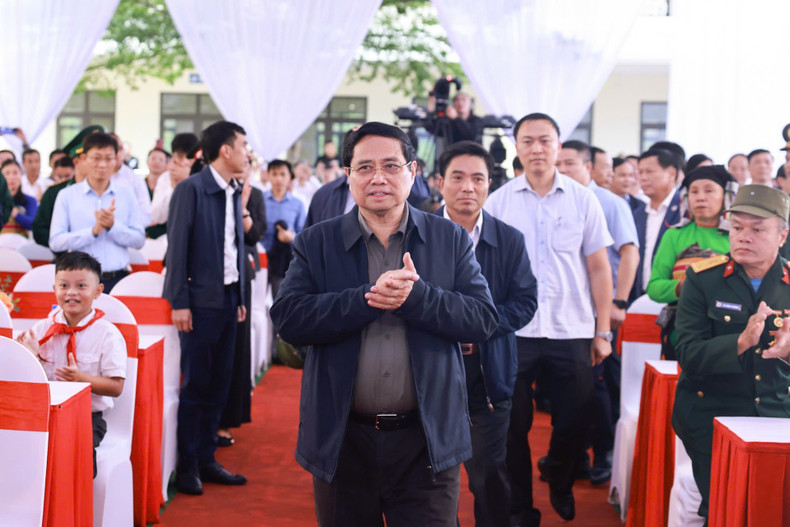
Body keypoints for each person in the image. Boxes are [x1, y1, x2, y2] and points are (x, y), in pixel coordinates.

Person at [270, 122, 498, 527]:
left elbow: (482, 319)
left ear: (413, 172)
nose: (378, 177)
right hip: (343, 441)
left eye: (391, 166)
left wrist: (418, 298)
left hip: (427, 443)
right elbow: (289, 319)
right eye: (365, 167)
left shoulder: (450, 240)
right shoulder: (316, 243)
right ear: (348, 176)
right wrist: (366, 299)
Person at [485, 113, 614, 524]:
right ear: (517, 148)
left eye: (545, 141)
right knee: (512, 426)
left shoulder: (582, 199)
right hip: (514, 332)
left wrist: (603, 330)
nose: (537, 149)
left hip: (571, 330)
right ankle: (521, 507)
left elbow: (598, 268)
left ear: (559, 146)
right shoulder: (499, 201)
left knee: (578, 415)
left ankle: (559, 473)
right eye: (528, 141)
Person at [673, 184, 790, 521]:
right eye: (737, 228)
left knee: (772, 510)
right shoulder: (703, 279)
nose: (744, 237)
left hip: (774, 411)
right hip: (712, 412)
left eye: (757, 229)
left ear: (782, 235)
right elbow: (688, 354)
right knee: (725, 509)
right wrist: (739, 342)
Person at [436, 141, 538, 527]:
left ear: (489, 185)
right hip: (432, 374)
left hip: (489, 378)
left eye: (477, 178)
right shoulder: (416, 234)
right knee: (432, 479)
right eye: (457, 177)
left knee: (489, 475)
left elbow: (526, 301)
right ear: (439, 182)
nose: (468, 187)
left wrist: (478, 329)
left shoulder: (508, 239)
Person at [163, 120, 249, 496]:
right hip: (199, 303)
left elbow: (236, 248)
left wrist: (242, 298)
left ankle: (207, 458)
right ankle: (186, 466)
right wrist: (179, 302)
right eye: (243, 145)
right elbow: (176, 250)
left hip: (230, 299)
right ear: (226, 151)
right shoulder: (191, 190)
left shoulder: (233, 190)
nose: (248, 153)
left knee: (220, 383)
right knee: (196, 384)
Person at [556, 140, 639, 485]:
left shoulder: (609, 202)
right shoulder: (557, 201)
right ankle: (574, 456)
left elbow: (629, 253)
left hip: (600, 312)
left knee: (599, 385)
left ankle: (604, 452)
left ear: (588, 167)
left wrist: (618, 303)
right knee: (570, 387)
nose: (562, 170)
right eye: (558, 164)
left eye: (570, 164)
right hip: (566, 313)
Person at [15, 251, 126, 477]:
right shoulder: (42, 329)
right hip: (45, 412)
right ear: (54, 289)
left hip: (87, 417)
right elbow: (29, 381)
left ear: (98, 291)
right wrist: (30, 357)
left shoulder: (108, 334)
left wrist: (80, 379)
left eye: (81, 286)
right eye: (64, 285)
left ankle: (77, 501)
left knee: (74, 451)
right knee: (20, 443)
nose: (71, 292)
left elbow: (116, 387)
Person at [646, 165, 736, 359]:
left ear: (726, 196)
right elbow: (654, 287)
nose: (700, 197)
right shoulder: (674, 235)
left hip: (728, 329)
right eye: (694, 192)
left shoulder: (736, 235)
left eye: (709, 190)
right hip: (682, 328)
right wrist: (684, 287)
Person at [49, 132, 145, 292]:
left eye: (108, 159)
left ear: (116, 160)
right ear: (84, 159)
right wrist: (92, 232)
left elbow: (139, 240)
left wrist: (113, 226)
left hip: (118, 280)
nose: (102, 165)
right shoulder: (67, 195)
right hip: (79, 283)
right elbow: (56, 242)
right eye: (96, 158)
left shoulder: (127, 195)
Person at [217, 155, 266, 447]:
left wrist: (244, 208)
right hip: (212, 277)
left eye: (248, 163)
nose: (243, 167)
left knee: (236, 350)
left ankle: (226, 421)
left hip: (240, 276)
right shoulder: (213, 191)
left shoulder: (254, 195)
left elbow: (256, 236)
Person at [32, 126, 100, 249]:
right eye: (93, 158)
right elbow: (39, 230)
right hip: (67, 260)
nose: (99, 164)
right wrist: (67, 243)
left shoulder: (109, 191)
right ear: (77, 161)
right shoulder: (56, 193)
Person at [633, 148, 683, 297]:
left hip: (675, 298)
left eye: (649, 172)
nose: (643, 178)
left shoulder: (685, 210)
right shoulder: (638, 214)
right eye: (640, 172)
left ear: (671, 173)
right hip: (640, 299)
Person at [262, 159, 305, 299]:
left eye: (283, 174)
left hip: (283, 261)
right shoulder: (259, 200)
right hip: (260, 259)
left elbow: (303, 235)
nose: (278, 178)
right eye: (274, 174)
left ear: (290, 177)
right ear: (268, 175)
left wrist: (290, 237)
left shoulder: (297, 205)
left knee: (280, 301)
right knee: (256, 305)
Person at [148, 133, 199, 239]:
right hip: (173, 237)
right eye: (180, 158)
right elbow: (157, 216)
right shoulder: (166, 178)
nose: (185, 163)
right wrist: (173, 187)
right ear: (174, 156)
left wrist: (189, 179)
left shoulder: (203, 176)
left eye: (189, 160)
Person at [109, 132, 152, 225]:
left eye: (120, 148)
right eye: (112, 149)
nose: (117, 153)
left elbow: (145, 214)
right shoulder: (91, 178)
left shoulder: (134, 179)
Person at [0, 159, 38, 236]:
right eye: (7, 173)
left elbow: (32, 224)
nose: (11, 177)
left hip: (21, 246)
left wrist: (14, 212)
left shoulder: (30, 200)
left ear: (21, 176)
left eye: (15, 173)